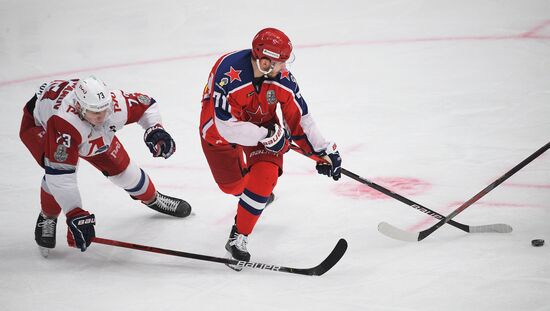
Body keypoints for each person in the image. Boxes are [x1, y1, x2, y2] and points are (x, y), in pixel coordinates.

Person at [199, 28, 342, 269]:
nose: (284, 68)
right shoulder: (228, 73)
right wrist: (267, 135)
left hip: (264, 126)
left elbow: (300, 118)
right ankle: (251, 197)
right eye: (280, 62)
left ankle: (238, 237)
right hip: (220, 132)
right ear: (264, 61)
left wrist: (322, 151)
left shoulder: (282, 80)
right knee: (231, 186)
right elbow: (226, 127)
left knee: (264, 178)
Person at [19, 76, 191, 257]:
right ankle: (48, 216)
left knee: (126, 174)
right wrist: (75, 213)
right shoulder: (64, 122)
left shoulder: (113, 105)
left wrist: (155, 129)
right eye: (95, 111)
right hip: (41, 127)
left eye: (104, 109)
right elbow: (60, 178)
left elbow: (147, 104)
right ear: (79, 107)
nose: (102, 115)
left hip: (88, 130)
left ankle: (153, 198)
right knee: (54, 168)